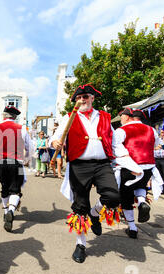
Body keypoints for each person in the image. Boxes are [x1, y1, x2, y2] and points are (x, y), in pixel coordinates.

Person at [50, 84, 120, 264]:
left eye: (86, 96)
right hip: (79, 166)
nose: (83, 99)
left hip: (103, 164)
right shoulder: (69, 117)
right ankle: (81, 245)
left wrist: (126, 160)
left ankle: (95, 213)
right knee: (79, 205)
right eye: (79, 97)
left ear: (92, 99)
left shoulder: (104, 117)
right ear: (75, 100)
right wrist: (56, 143)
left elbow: (115, 143)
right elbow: (55, 138)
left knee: (112, 196)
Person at [112, 108, 162, 239]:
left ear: (130, 117)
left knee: (126, 196)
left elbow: (114, 146)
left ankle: (133, 228)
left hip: (130, 166)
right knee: (140, 186)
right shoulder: (151, 130)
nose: (121, 118)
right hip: (148, 167)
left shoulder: (122, 130)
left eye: (122, 116)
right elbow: (156, 144)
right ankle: (141, 203)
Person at [0, 104, 32, 232]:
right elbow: (30, 147)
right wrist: (26, 159)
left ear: (4, 115)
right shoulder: (22, 128)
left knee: (5, 187)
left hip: (0, 162)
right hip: (17, 163)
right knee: (16, 188)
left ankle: (6, 212)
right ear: (15, 117)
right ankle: (11, 210)